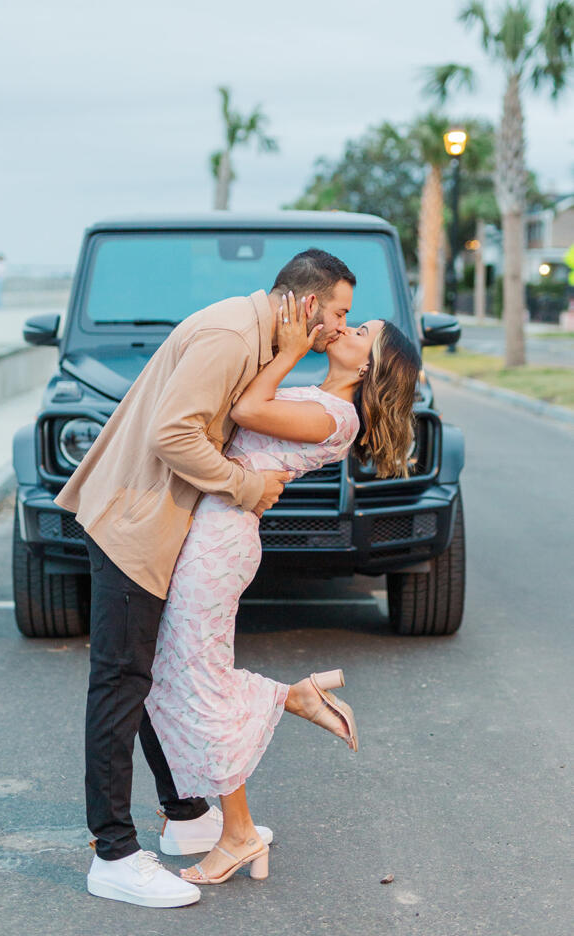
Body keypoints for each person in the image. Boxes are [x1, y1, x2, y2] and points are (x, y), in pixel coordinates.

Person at [53, 248, 356, 908]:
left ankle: (189, 817)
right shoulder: (229, 336)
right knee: (122, 680)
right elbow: (172, 434)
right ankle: (113, 853)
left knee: (155, 674)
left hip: (162, 519)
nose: (338, 328)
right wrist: (245, 485)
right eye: (337, 314)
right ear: (307, 307)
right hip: (135, 519)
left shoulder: (251, 337)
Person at [144, 293, 421, 886]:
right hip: (210, 532)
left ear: (368, 366)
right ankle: (289, 701)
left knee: (195, 681)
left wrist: (291, 349)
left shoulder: (335, 418)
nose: (344, 327)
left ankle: (238, 834)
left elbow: (246, 408)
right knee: (181, 676)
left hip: (220, 545)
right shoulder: (323, 399)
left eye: (359, 330)